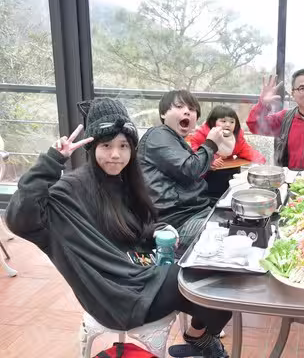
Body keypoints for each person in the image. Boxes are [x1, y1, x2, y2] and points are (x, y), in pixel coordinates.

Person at [5, 98, 231, 358]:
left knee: (215, 274)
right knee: (208, 282)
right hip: (116, 296)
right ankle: (202, 340)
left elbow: (138, 226)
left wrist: (158, 229)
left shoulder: (123, 181)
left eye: (124, 146)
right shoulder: (72, 189)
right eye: (106, 145)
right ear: (92, 147)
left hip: (140, 273)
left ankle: (199, 337)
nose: (116, 154)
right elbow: (19, 219)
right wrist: (52, 162)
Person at [137, 90, 224, 254]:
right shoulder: (158, 134)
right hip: (176, 223)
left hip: (194, 213)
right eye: (179, 106)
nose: (187, 112)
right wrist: (211, 144)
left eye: (192, 109)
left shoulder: (175, 140)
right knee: (228, 236)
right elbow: (190, 168)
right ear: (163, 113)